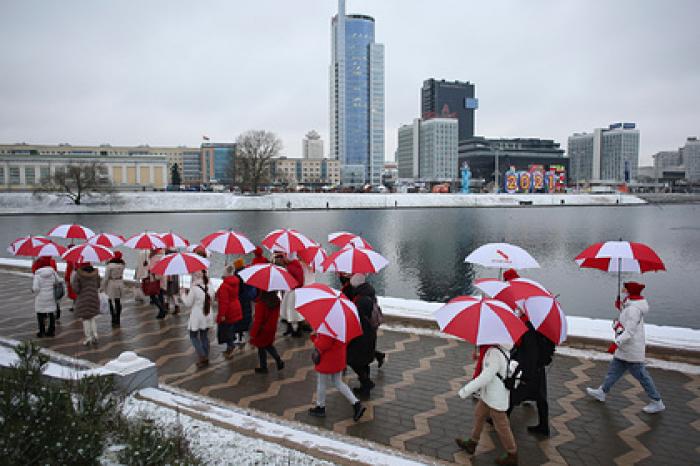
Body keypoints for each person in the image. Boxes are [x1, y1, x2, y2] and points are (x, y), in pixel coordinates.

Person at [586, 281, 665, 414]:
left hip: (631, 349)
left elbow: (630, 331)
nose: (623, 289)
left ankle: (657, 401)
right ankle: (602, 392)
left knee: (642, 376)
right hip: (625, 349)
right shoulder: (630, 304)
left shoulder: (633, 309)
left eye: (625, 288)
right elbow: (627, 320)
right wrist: (621, 307)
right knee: (614, 371)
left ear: (630, 292)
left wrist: (616, 344)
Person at [456, 343, 518, 466]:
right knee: (479, 414)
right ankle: (472, 443)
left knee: (502, 426)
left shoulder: (494, 353)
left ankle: (512, 454)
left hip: (495, 397)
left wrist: (466, 390)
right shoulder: (499, 349)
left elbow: (486, 376)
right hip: (489, 394)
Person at [508, 319, 555, 436]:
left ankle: (500, 419)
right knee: (540, 397)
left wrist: (526, 373)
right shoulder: (545, 324)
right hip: (539, 366)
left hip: (530, 367)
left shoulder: (530, 326)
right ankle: (544, 426)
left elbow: (529, 350)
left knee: (514, 392)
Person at [308, 331, 366, 422]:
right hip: (338, 356)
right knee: (338, 382)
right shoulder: (342, 325)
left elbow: (324, 344)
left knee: (321, 383)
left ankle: (320, 407)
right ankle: (356, 403)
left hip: (327, 359)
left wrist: (314, 338)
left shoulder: (327, 325)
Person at [345, 273, 386, 368]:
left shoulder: (362, 298)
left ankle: (365, 381)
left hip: (363, 328)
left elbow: (358, 314)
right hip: (367, 329)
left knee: (357, 352)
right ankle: (378, 356)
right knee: (364, 349)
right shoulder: (367, 291)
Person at [181, 271, 213, 368]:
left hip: (197, 316)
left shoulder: (194, 288)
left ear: (195, 276)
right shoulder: (210, 286)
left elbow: (188, 303)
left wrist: (182, 294)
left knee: (193, 336)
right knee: (204, 336)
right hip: (208, 314)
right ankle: (206, 356)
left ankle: (203, 356)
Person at [346, 295, 377, 397]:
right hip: (369, 346)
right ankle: (365, 389)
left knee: (352, 362)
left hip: (359, 348)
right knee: (365, 364)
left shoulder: (359, 320)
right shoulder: (370, 318)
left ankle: (366, 383)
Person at [250, 290, 284, 373]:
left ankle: (264, 367)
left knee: (262, 347)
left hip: (262, 330)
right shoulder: (277, 301)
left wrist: (253, 334)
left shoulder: (261, 304)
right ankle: (277, 360)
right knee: (268, 345)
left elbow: (258, 321)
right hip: (271, 328)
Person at [71, 263, 101, 346]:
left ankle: (88, 338)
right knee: (92, 317)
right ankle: (95, 335)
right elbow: (98, 285)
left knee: (86, 318)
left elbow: (76, 289)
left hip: (83, 298)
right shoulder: (96, 273)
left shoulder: (78, 274)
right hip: (94, 297)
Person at [216, 265, 242, 359]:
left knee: (226, 330)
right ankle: (230, 346)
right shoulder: (235, 282)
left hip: (228, 310)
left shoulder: (224, 286)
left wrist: (222, 314)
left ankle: (231, 347)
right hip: (236, 306)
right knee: (230, 328)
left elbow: (223, 302)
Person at [32, 257, 61, 337]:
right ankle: (51, 331)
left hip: (41, 298)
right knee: (51, 313)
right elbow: (59, 281)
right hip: (51, 296)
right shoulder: (53, 272)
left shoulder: (37, 275)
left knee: (40, 314)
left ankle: (41, 331)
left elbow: (36, 288)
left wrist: (33, 290)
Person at [278, 252, 305, 337]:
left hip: (292, 291)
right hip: (297, 290)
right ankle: (295, 329)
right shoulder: (297, 265)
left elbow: (288, 280)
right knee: (297, 311)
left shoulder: (290, 268)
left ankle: (293, 330)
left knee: (289, 310)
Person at [232, 258, 256, 347]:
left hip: (238, 300)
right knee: (247, 317)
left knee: (238, 319)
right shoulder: (247, 274)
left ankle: (240, 337)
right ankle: (250, 336)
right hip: (247, 299)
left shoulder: (235, 276)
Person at [102, 251, 126, 327]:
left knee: (110, 301)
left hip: (112, 284)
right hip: (120, 283)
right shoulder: (122, 265)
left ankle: (113, 317)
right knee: (118, 301)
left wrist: (102, 286)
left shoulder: (110, 266)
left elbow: (106, 278)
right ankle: (118, 318)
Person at [148, 249, 168, 319]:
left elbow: (151, 269)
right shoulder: (164, 257)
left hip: (155, 279)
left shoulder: (153, 258)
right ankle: (162, 312)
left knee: (152, 296)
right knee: (161, 295)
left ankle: (162, 309)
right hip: (163, 277)